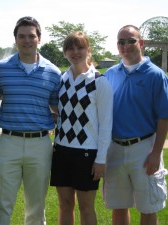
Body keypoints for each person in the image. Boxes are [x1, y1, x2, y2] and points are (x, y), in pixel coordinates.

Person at [0, 16, 61, 225]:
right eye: (21, 36)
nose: (26, 40)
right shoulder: (1, 69)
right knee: (2, 202)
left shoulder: (53, 72)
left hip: (40, 144)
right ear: (15, 39)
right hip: (9, 142)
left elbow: (57, 107)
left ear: (39, 38)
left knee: (36, 205)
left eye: (31, 36)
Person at [104, 25, 168, 225]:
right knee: (119, 207)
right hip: (114, 148)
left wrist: (156, 153)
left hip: (144, 148)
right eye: (121, 42)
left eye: (131, 40)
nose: (126, 45)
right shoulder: (110, 74)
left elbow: (164, 117)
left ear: (141, 43)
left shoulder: (156, 75)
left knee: (148, 206)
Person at [50, 31, 113, 225]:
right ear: (65, 52)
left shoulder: (99, 82)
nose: (75, 52)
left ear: (88, 50)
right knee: (65, 205)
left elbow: (106, 125)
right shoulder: (62, 79)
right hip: (61, 150)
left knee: (86, 208)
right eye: (70, 48)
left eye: (80, 47)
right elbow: (57, 110)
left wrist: (101, 159)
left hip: (86, 153)